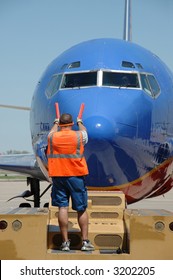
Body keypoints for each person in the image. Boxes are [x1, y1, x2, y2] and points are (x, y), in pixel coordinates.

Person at [47, 112, 94, 252]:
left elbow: (51, 132)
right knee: (81, 209)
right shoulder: (79, 136)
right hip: (76, 176)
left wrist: (55, 123)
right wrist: (80, 122)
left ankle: (65, 243)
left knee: (62, 207)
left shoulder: (52, 137)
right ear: (71, 124)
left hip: (58, 176)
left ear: (60, 124)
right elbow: (85, 132)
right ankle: (85, 242)